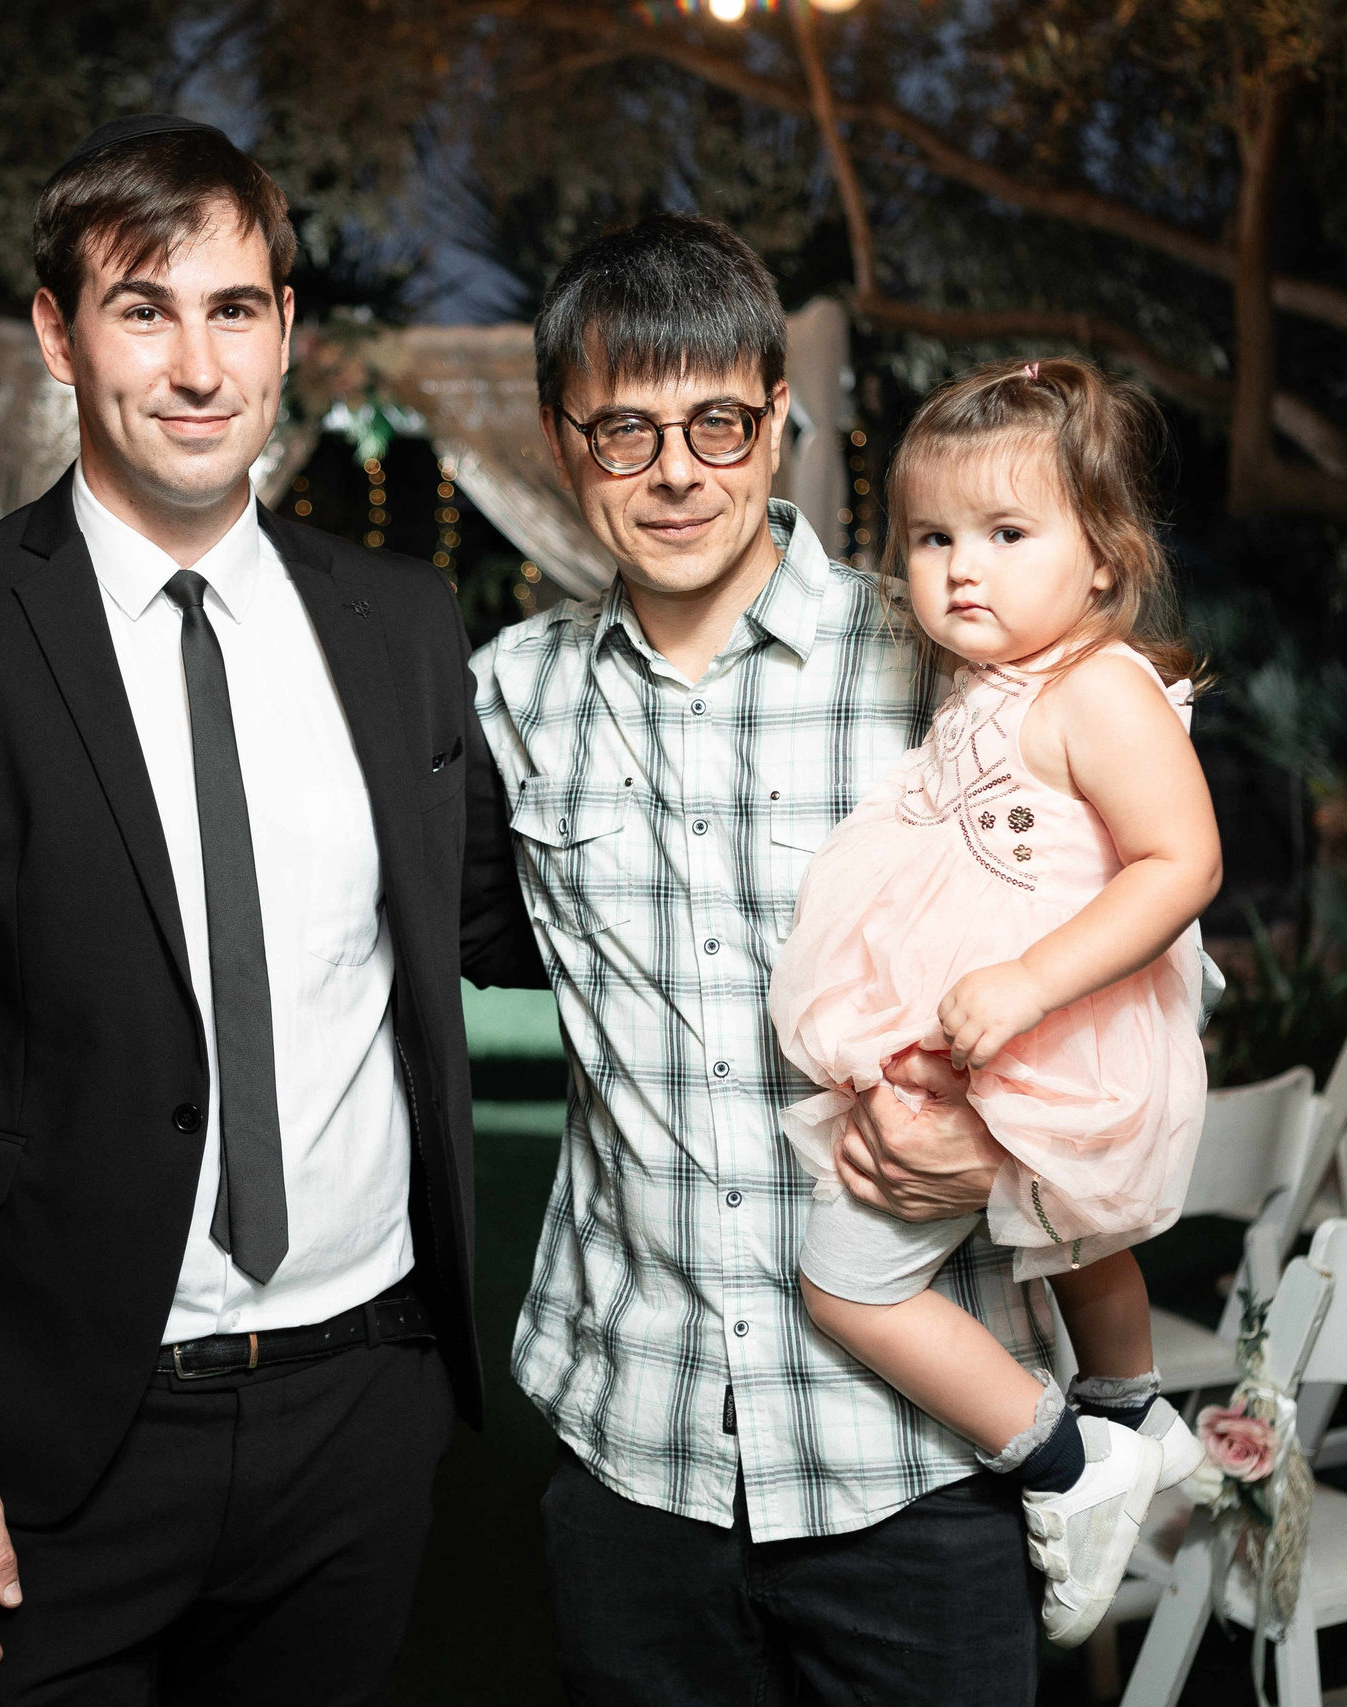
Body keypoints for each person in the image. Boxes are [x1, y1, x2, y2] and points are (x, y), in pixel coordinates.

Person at [0, 115, 541, 1706]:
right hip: (52, 1431)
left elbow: (498, 922)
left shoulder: (403, 623)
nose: (197, 366)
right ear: (60, 333)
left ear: (287, 335)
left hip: (363, 1407)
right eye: (145, 308)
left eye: (236, 309)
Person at [474, 215, 1100, 1704]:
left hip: (913, 1456)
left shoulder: (949, 669)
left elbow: (1141, 993)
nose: (677, 468)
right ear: (564, 447)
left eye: (716, 421)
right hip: (636, 1451)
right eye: (624, 430)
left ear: (776, 418)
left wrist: (1015, 1158)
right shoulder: (507, 698)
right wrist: (21, 590)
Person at [768, 357, 1222, 1649]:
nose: (961, 568)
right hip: (1010, 1017)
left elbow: (1182, 862)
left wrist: (1028, 980)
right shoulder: (997, 683)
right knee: (1075, 1234)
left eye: (1007, 534)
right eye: (932, 537)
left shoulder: (1100, 689)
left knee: (848, 1288)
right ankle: (1134, 1409)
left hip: (1052, 1019)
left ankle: (1062, 1462)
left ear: (1104, 555)